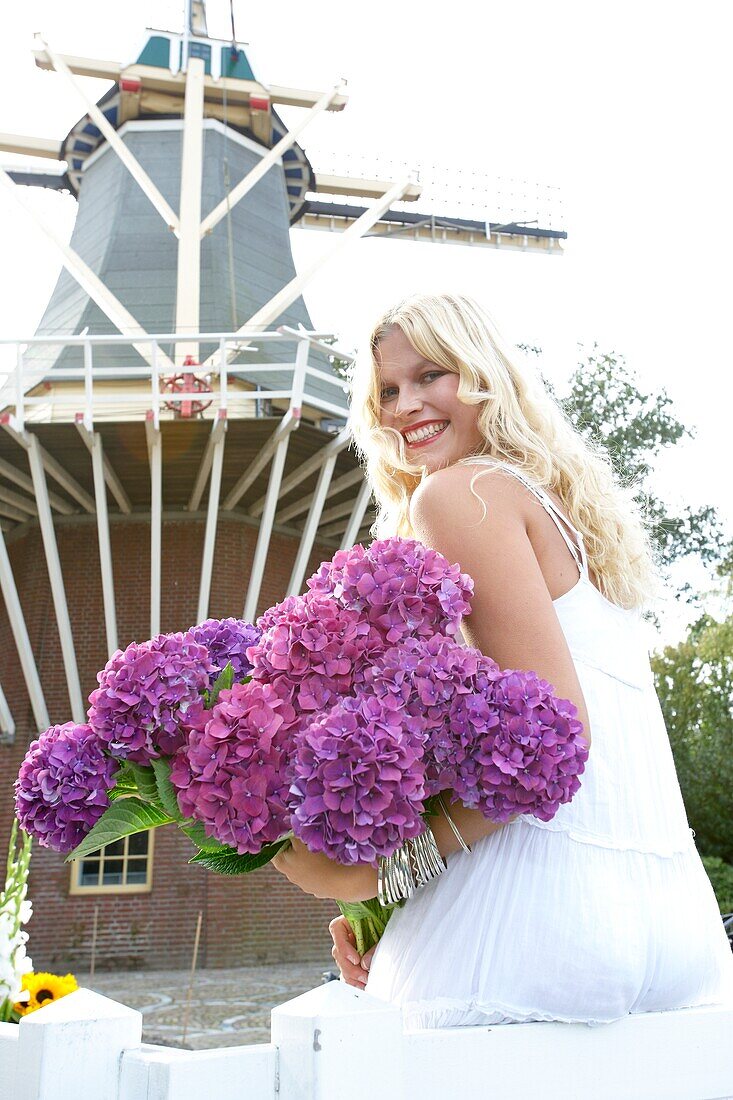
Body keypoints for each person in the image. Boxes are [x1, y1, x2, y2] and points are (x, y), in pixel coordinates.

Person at [271, 292, 733, 1029]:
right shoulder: (556, 510)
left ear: (482, 373)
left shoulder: (456, 494)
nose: (404, 405)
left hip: (532, 914)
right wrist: (390, 917)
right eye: (387, 390)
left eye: (430, 375)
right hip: (671, 922)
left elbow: (548, 735)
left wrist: (384, 878)